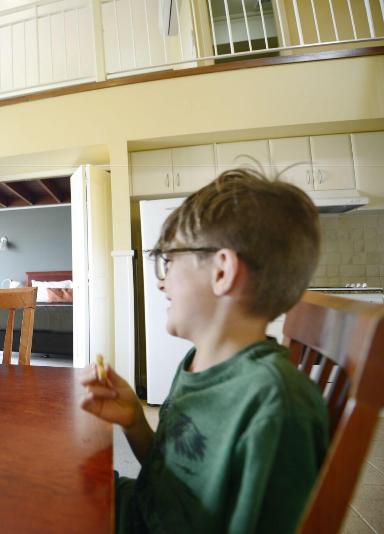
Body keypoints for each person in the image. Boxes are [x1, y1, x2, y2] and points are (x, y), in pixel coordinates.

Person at [82, 169, 329, 533]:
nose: (160, 280)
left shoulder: (276, 405)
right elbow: (173, 480)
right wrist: (135, 418)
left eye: (170, 260)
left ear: (222, 271)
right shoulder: (197, 364)